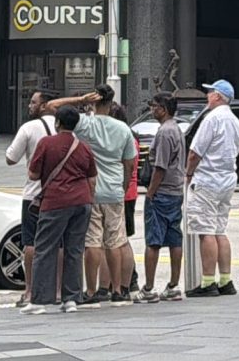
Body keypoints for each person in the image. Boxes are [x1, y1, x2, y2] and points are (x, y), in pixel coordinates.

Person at [24, 105, 96, 315]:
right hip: (81, 201)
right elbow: (92, 178)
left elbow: (33, 175)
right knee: (74, 250)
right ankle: (71, 299)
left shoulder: (46, 143)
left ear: (57, 123)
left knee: (45, 248)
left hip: (55, 201)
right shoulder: (83, 147)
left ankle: (39, 300)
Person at [71, 89, 136, 303]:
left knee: (92, 242)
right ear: (111, 101)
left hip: (91, 189)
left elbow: (53, 107)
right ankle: (117, 289)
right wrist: (124, 186)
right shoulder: (123, 129)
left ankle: (91, 291)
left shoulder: (85, 124)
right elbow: (129, 163)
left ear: (93, 101)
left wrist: (80, 100)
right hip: (115, 190)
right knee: (115, 241)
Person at [184, 81, 239, 297]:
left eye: (210, 92)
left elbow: (195, 152)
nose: (207, 95)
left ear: (218, 96)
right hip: (227, 178)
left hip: (207, 179)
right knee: (220, 229)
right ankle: (226, 279)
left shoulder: (212, 119)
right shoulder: (234, 120)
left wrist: (189, 173)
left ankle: (208, 281)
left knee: (205, 230)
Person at [0, 91, 52, 307]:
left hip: (33, 194)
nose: (29, 106)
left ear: (44, 105)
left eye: (33, 102)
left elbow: (10, 158)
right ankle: (57, 290)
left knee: (30, 242)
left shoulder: (29, 128)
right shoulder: (64, 126)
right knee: (58, 243)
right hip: (58, 194)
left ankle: (30, 290)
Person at [139, 93, 188, 301]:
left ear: (164, 109)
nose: (152, 109)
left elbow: (160, 166)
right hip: (176, 189)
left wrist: (150, 192)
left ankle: (149, 288)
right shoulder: (177, 129)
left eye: (155, 106)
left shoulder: (165, 133)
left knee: (154, 240)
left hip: (162, 191)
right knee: (174, 238)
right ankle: (173, 284)